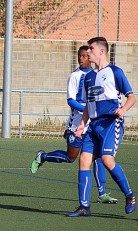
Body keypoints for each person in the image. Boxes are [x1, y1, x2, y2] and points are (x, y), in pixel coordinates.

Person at [30, 46, 118, 204]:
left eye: (85, 55)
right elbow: (71, 100)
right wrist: (88, 110)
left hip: (93, 124)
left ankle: (102, 193)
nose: (82, 58)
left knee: (98, 158)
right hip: (76, 124)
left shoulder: (97, 75)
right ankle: (43, 156)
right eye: (80, 56)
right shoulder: (75, 76)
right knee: (71, 157)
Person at [67, 37, 136, 217]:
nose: (87, 52)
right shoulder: (88, 77)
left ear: (101, 51)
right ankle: (84, 207)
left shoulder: (115, 72)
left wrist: (123, 109)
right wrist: (82, 125)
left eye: (90, 49)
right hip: (93, 125)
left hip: (110, 123)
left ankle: (130, 195)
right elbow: (89, 106)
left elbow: (131, 97)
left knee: (106, 159)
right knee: (84, 160)